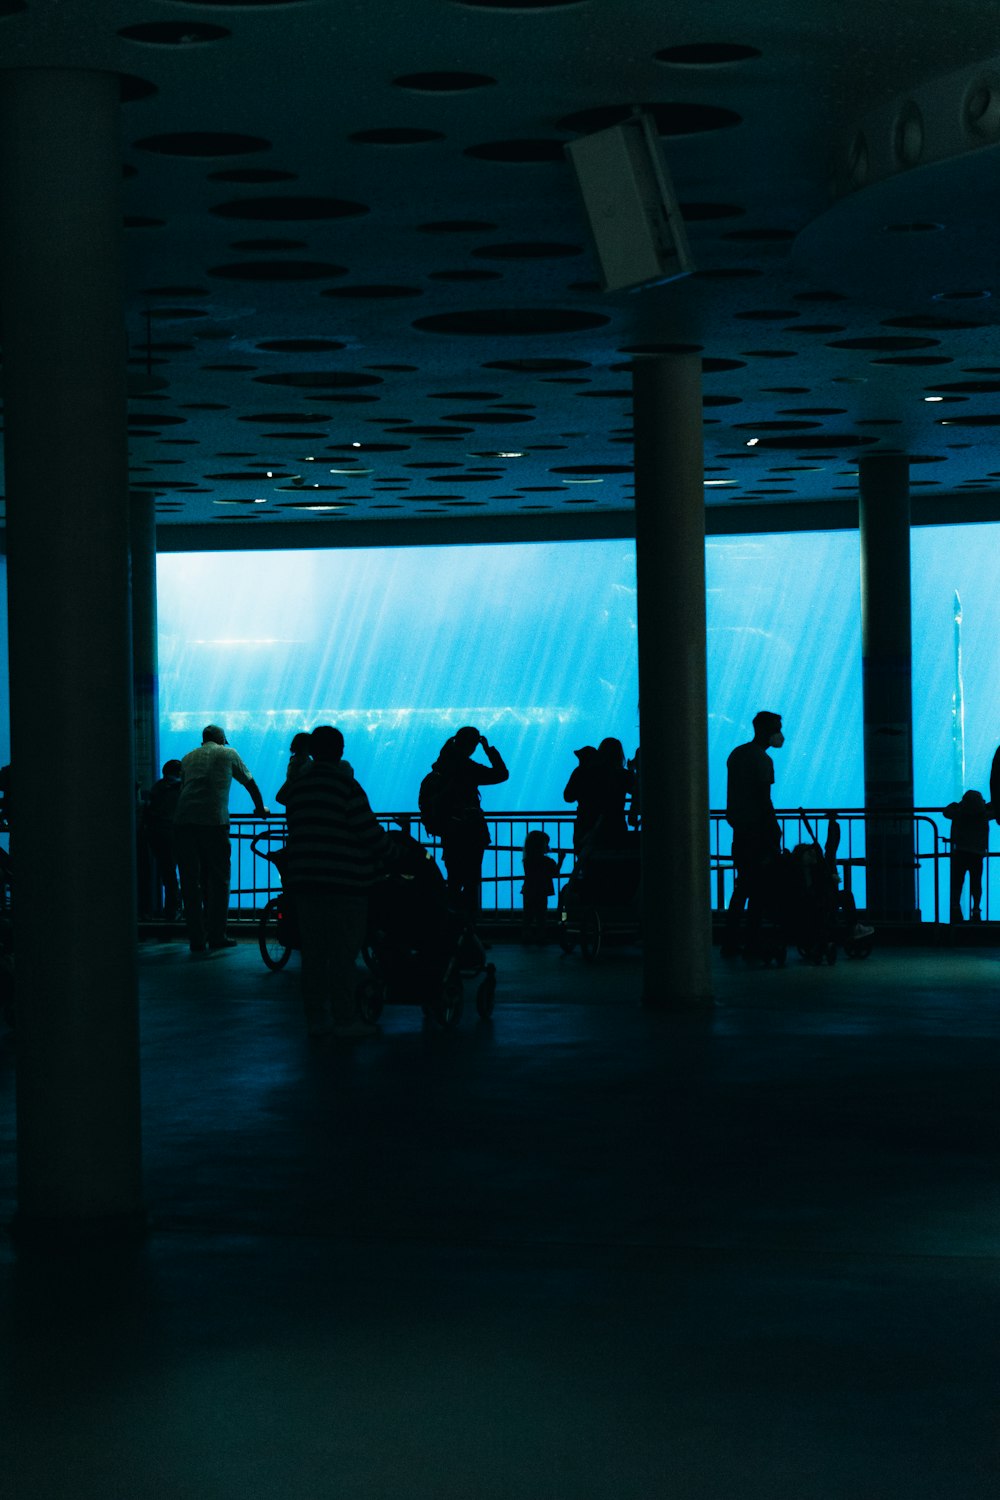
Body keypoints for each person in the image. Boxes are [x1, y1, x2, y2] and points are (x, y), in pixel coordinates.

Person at [277, 725, 392, 1038]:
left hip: (305, 881)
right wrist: (389, 852)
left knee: (314, 955)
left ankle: (315, 1017)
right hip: (345, 884)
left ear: (312, 751)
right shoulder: (346, 787)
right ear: (341, 750)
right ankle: (344, 1019)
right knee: (342, 954)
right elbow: (368, 832)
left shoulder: (298, 788)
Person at [174, 724, 268, 954]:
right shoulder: (228, 753)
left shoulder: (187, 757)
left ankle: (196, 938)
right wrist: (259, 808)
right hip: (213, 821)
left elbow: (184, 787)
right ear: (222, 738)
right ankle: (217, 935)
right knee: (219, 879)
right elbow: (249, 782)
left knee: (190, 881)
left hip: (183, 821)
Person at [427, 726, 508, 919]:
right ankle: (469, 931)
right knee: (471, 882)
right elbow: (501, 774)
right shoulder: (467, 768)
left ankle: (450, 930)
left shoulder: (442, 766)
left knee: (453, 880)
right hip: (471, 833)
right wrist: (489, 751)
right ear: (473, 746)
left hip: (450, 832)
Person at [722, 710, 785, 957]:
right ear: (765, 730)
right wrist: (773, 830)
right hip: (757, 833)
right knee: (757, 889)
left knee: (742, 888)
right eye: (777, 728)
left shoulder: (737, 754)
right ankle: (751, 940)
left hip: (740, 831)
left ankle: (730, 940)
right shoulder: (762, 760)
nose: (780, 734)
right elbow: (764, 798)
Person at [563, 737, 635, 852]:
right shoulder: (623, 775)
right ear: (619, 754)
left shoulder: (582, 772)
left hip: (585, 827)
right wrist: (632, 770)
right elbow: (635, 790)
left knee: (588, 866)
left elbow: (568, 797)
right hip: (615, 827)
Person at [943, 789, 990, 923]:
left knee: (958, 881)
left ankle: (956, 907)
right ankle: (976, 908)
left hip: (960, 852)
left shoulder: (959, 814)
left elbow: (946, 812)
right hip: (977, 853)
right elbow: (995, 809)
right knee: (976, 882)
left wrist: (957, 804)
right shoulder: (984, 814)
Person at [144, 759, 183, 920]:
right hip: (176, 834)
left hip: (157, 835)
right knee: (186, 873)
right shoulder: (181, 787)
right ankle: (177, 910)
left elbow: (149, 810)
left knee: (167, 874)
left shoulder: (157, 787)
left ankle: (170, 911)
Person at [520, 829, 565, 944]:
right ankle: (541, 937)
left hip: (528, 890)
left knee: (528, 915)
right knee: (541, 915)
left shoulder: (526, 860)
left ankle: (526, 936)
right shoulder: (547, 861)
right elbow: (555, 873)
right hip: (542, 891)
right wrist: (561, 859)